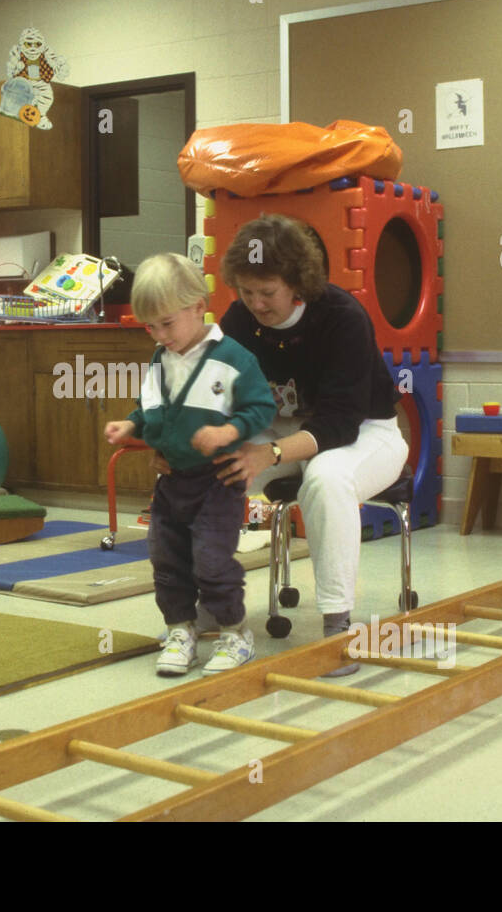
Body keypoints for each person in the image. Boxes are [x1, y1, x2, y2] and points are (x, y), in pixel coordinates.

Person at [213, 214, 408, 674]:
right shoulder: (240, 319)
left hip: (367, 433)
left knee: (326, 477)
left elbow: (339, 425)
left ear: (296, 284)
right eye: (247, 292)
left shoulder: (342, 317)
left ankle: (336, 623)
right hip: (280, 428)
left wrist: (271, 454)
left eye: (268, 293)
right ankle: (208, 601)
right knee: (213, 466)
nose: (256, 304)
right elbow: (216, 388)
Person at [103, 253, 276, 676]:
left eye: (167, 323)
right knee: (166, 557)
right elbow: (152, 408)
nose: (160, 336)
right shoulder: (160, 359)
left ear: (199, 307)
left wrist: (228, 432)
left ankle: (235, 632)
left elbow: (262, 408)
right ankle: (181, 629)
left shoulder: (233, 358)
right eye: (150, 327)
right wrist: (131, 424)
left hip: (218, 481)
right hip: (172, 482)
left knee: (212, 559)